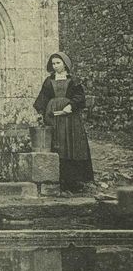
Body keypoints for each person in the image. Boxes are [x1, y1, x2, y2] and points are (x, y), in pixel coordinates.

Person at [34, 52, 94, 192]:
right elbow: (43, 97)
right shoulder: (49, 81)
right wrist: (40, 112)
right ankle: (57, 178)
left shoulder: (73, 80)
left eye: (58, 63)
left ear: (65, 64)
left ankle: (73, 181)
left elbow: (79, 96)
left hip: (70, 118)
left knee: (71, 145)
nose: (55, 66)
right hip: (53, 117)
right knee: (56, 144)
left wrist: (70, 106)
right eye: (53, 64)